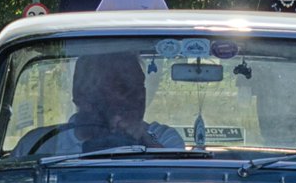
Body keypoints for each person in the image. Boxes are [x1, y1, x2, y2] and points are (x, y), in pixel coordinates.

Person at [13, 53, 183, 155]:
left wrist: (144, 138)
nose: (137, 96)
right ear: (82, 94)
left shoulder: (164, 139)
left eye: (140, 86)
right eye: (122, 87)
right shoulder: (38, 145)